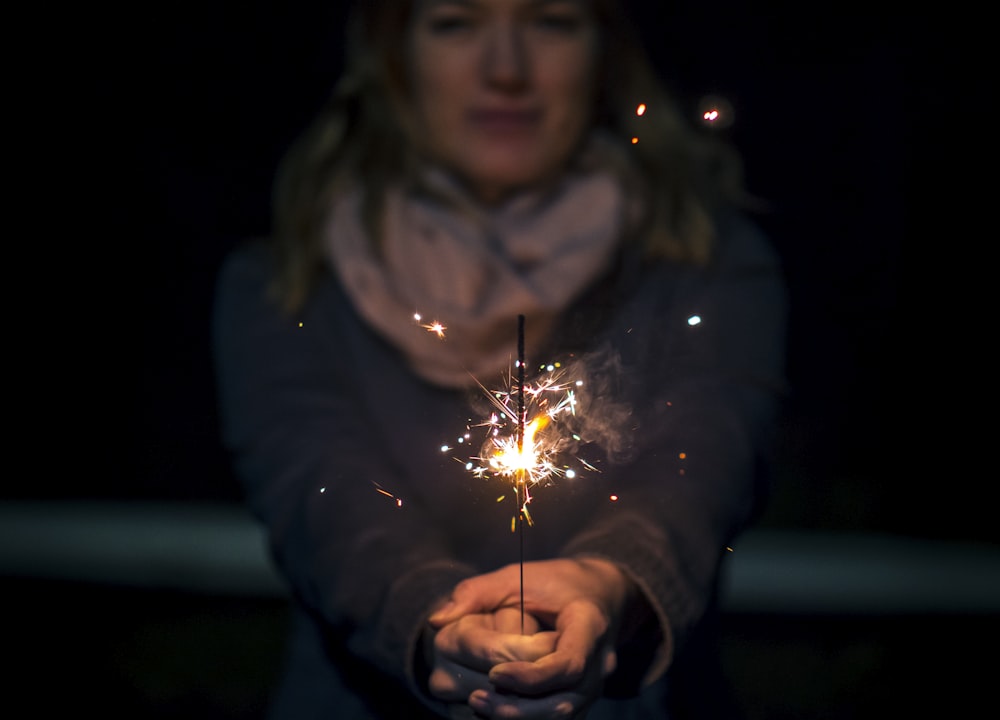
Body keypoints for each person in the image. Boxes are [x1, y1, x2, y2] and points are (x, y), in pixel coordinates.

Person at [213, 0, 787, 718]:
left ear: (604, 49)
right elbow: (319, 489)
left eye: (551, 20)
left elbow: (707, 454)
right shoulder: (287, 281)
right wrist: (433, 616)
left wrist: (608, 580)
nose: (506, 70)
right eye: (455, 22)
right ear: (397, 55)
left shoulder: (704, 259)